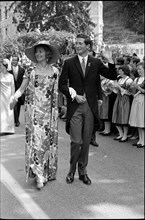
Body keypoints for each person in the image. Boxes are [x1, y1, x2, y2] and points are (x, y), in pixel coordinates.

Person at [58, 33, 117, 185]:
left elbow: (112, 75)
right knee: (76, 141)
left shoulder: (96, 62)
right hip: (75, 106)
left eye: (80, 43)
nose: (76, 46)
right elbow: (62, 84)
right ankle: (71, 170)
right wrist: (74, 95)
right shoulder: (69, 62)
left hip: (90, 107)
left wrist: (110, 60)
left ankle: (83, 171)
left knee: (85, 142)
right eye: (75, 43)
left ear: (88, 46)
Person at [10, 40, 60, 189]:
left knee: (46, 143)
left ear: (47, 54)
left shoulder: (55, 71)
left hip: (49, 114)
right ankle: (39, 175)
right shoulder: (30, 70)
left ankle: (44, 170)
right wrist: (14, 97)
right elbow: (22, 87)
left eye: (41, 51)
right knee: (36, 143)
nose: (38, 54)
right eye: (36, 51)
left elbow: (57, 93)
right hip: (34, 113)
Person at [112, 65, 133, 142]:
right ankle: (121, 133)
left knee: (124, 116)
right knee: (116, 115)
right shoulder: (120, 79)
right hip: (118, 98)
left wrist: (120, 88)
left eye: (120, 70)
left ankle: (125, 135)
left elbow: (130, 93)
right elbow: (116, 91)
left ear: (124, 71)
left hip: (125, 99)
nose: (119, 72)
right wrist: (115, 88)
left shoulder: (129, 80)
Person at [129, 62, 145, 148]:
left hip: (142, 100)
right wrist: (132, 89)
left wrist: (138, 88)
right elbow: (131, 90)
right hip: (136, 99)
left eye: (140, 69)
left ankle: (143, 141)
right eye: (138, 69)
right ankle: (140, 140)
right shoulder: (137, 79)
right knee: (138, 120)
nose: (139, 71)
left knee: (142, 120)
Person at [9, 55, 25, 127]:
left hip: (19, 90)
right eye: (13, 60)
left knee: (18, 106)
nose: (14, 61)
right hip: (11, 90)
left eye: (15, 60)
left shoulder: (22, 70)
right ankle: (16, 121)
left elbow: (24, 80)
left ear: (18, 61)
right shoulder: (9, 70)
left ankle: (16, 119)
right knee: (14, 105)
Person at [0, 56, 15, 135]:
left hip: (9, 96)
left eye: (1, 65)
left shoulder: (11, 76)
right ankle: (2, 128)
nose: (0, 66)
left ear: (5, 66)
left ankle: (9, 129)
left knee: (9, 111)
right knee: (2, 112)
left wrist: (13, 96)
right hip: (1, 96)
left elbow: (13, 87)